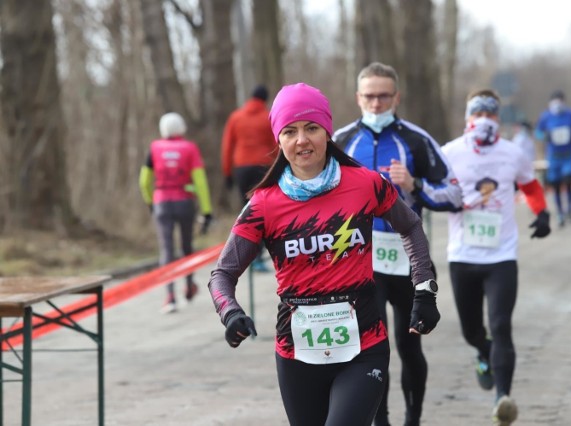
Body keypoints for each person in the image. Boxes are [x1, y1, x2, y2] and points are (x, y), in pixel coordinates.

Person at [208, 83, 441, 426]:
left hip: (363, 346)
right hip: (297, 353)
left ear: (327, 132)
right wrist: (230, 313)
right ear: (279, 140)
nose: (302, 140)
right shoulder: (263, 204)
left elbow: (410, 226)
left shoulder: (366, 184)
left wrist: (424, 288)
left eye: (311, 128)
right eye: (290, 131)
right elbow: (222, 274)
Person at [334, 61, 462, 426]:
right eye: (370, 96)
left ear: (396, 97)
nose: (376, 104)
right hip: (360, 264)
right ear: (358, 98)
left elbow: (454, 195)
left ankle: (413, 420)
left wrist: (414, 186)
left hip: (408, 262)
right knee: (372, 351)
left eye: (384, 96)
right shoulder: (341, 142)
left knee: (409, 347)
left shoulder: (416, 139)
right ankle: (381, 421)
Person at [441, 89, 551, 426]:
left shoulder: (512, 152)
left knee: (501, 325)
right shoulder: (448, 153)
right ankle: (483, 352)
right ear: (467, 118)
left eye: (491, 114)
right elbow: (435, 190)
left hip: (502, 255)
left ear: (498, 119)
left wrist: (542, 213)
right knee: (473, 331)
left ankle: (502, 398)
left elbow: (530, 186)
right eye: (479, 113)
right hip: (462, 254)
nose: (485, 120)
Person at [139, 112, 213, 314]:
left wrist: (150, 202)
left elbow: (144, 181)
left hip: (161, 203)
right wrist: (207, 211)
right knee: (187, 245)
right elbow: (200, 182)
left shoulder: (154, 148)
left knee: (166, 250)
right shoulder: (190, 149)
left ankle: (170, 296)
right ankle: (189, 286)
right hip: (185, 203)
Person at [221, 84, 277, 272]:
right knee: (262, 211)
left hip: (241, 167)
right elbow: (275, 144)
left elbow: (228, 146)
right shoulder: (267, 117)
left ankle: (245, 255)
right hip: (263, 166)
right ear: (264, 99)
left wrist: (227, 172)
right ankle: (258, 257)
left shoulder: (235, 117)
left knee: (246, 211)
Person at [534, 90, 571, 227]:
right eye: (555, 101)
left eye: (560, 100)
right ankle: (560, 213)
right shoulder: (545, 116)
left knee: (568, 181)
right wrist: (545, 136)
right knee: (555, 185)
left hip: (568, 155)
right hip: (553, 157)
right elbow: (537, 132)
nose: (558, 104)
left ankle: (570, 210)